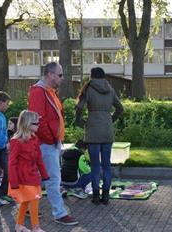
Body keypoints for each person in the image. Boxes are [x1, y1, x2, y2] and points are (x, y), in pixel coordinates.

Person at [28, 62, 78, 225]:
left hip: (50, 143)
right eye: (60, 75)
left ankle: (28, 208)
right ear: (49, 74)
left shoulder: (49, 92)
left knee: (40, 178)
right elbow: (37, 120)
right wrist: (51, 139)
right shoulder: (39, 92)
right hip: (46, 143)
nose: (62, 78)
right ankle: (59, 213)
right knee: (53, 180)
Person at [75, 67, 123, 205]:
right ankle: (106, 197)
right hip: (107, 130)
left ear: (92, 76)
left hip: (93, 130)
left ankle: (96, 196)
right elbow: (120, 108)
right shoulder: (110, 89)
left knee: (95, 166)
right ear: (103, 76)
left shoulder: (88, 88)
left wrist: (79, 120)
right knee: (107, 165)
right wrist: (111, 119)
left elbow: (79, 107)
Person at [8, 110, 49, 232]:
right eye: (36, 123)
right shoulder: (16, 141)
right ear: (28, 124)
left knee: (26, 201)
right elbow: (12, 163)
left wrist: (44, 175)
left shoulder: (35, 139)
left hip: (33, 176)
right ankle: (36, 227)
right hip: (23, 178)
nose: (38, 124)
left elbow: (39, 159)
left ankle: (19, 225)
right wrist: (14, 182)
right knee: (34, 199)